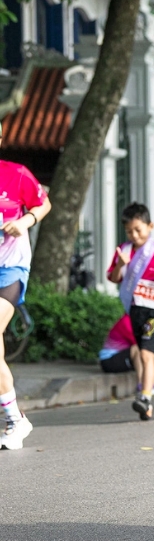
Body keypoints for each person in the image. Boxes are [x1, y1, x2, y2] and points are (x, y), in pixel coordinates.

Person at [0, 132, 51, 451]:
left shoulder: (16, 174)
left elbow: (44, 203)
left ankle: (14, 420)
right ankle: (15, 418)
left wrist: (26, 221)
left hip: (11, 268)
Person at [107, 203, 154, 421]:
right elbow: (113, 278)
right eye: (129, 231)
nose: (134, 235)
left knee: (146, 354)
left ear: (150, 226)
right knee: (147, 353)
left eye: (138, 229)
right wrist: (120, 265)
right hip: (136, 309)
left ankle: (145, 397)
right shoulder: (124, 251)